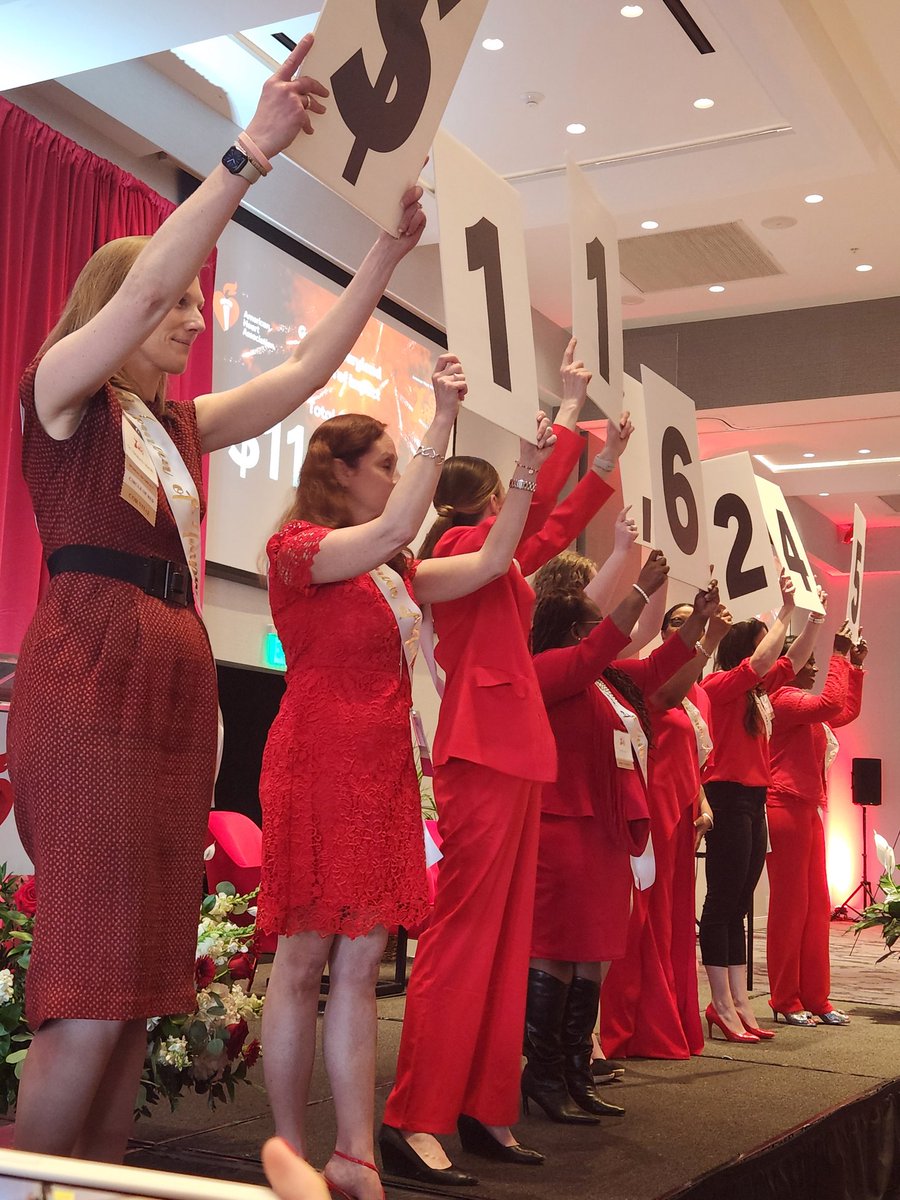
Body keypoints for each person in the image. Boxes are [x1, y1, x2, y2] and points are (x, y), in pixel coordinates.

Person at [6, 34, 427, 1163]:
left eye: (197, 306)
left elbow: (301, 376)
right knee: (89, 993)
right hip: (92, 690)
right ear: (121, 311)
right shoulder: (60, 397)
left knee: (138, 996)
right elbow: (146, 274)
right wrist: (247, 154)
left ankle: (90, 1185)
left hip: (169, 704)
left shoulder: (172, 426)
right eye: (179, 308)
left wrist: (382, 262)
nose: (193, 319)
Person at [256, 357, 557, 1200]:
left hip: (382, 763)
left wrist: (526, 471)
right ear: (341, 472)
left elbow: (497, 558)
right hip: (319, 758)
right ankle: (286, 1147)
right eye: (385, 464)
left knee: (359, 966)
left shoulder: (392, 571)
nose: (396, 478)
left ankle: (354, 1153)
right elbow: (392, 532)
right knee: (302, 959)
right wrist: (441, 415)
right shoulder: (297, 550)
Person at [380, 342, 630, 1184]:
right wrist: (561, 422)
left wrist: (599, 458)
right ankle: (413, 1114)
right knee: (463, 937)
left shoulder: (499, 557)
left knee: (507, 939)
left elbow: (553, 528)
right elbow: (530, 525)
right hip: (481, 747)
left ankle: (483, 1106)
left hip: (519, 748)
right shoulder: (449, 552)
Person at [526, 555, 718, 1121]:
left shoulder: (609, 681)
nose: (608, 633)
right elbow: (596, 652)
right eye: (596, 624)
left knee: (594, 952)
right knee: (560, 948)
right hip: (564, 825)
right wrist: (640, 588)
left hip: (606, 829)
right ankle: (544, 1075)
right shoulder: (551, 668)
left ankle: (574, 1072)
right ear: (572, 632)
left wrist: (699, 624)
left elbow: (660, 666)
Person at [599, 600, 732, 1061]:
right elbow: (666, 698)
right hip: (650, 807)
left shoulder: (703, 696)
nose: (684, 630)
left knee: (675, 921)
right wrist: (707, 638)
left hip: (682, 811)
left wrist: (704, 803)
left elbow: (697, 761)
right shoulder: (649, 679)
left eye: (687, 622)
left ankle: (673, 1019)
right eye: (676, 623)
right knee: (644, 920)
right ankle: (631, 1027)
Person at [698, 577, 827, 1043]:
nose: (771, 653)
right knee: (722, 903)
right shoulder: (722, 684)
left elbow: (789, 661)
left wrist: (813, 618)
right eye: (762, 643)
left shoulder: (755, 694)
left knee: (739, 906)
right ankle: (721, 1002)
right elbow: (764, 660)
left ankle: (735, 1002)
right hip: (729, 797)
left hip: (753, 801)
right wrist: (785, 610)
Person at [765, 623, 868, 1026]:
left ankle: (815, 996)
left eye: (814, 661)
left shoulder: (802, 706)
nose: (812, 668)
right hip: (783, 806)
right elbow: (830, 704)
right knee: (790, 907)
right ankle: (785, 998)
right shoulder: (783, 700)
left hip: (807, 808)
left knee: (815, 906)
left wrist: (854, 668)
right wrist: (840, 657)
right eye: (807, 661)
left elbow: (843, 710)